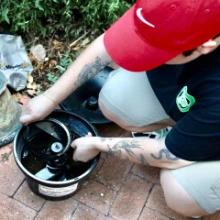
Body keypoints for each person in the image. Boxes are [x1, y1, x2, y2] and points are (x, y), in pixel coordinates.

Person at [20, 0, 220, 218]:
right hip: (198, 98)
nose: (144, 52)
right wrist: (49, 97)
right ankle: (192, 131)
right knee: (114, 101)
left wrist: (99, 144)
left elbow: (173, 155)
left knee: (180, 192)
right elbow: (106, 46)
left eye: (156, 49)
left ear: (204, 45)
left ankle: (200, 148)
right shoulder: (178, 9)